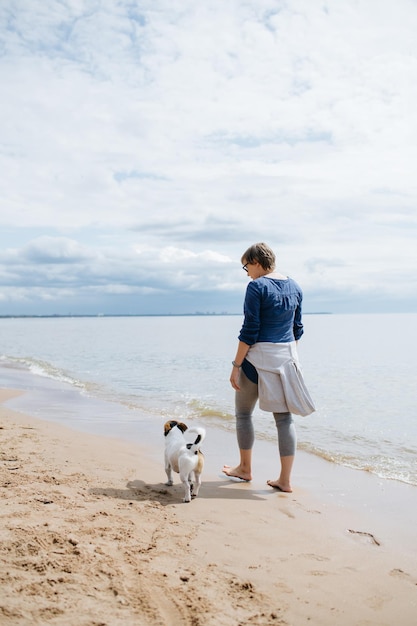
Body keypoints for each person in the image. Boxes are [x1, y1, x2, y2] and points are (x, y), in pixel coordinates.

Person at [222, 242, 315, 492]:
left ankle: (244, 468)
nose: (247, 273)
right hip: (286, 359)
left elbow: (249, 330)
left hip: (256, 361)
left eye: (246, 267)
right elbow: (298, 329)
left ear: (257, 262)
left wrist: (236, 365)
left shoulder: (256, 286)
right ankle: (284, 481)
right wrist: (285, 354)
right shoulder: (295, 286)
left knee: (243, 414)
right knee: (284, 421)